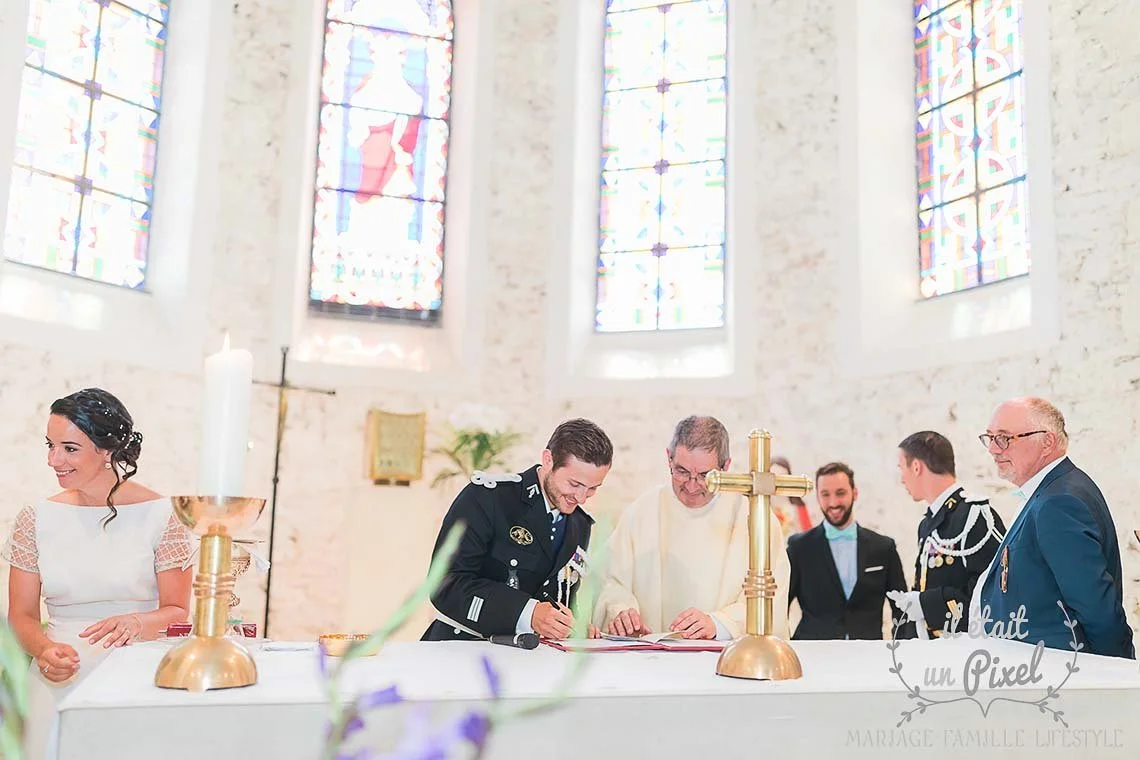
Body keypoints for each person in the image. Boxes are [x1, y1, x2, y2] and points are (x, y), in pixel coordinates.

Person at [2, 388, 194, 758]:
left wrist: (137, 622)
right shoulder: (36, 518)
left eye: (69, 448)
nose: (53, 459)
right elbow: (21, 615)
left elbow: (176, 611)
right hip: (57, 681)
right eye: (50, 445)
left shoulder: (164, 515)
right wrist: (44, 650)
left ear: (106, 450)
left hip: (137, 679)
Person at [593, 416, 789, 640]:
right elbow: (608, 580)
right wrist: (621, 611)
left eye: (705, 476)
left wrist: (719, 624)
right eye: (682, 471)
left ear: (726, 466)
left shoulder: (754, 519)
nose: (692, 485)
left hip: (727, 661)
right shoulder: (642, 513)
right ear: (669, 458)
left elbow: (774, 596)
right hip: (652, 662)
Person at [422, 418, 613, 642]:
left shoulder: (580, 523)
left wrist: (571, 626)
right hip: (462, 647)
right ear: (548, 460)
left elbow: (560, 596)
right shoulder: (488, 498)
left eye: (592, 489)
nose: (581, 498)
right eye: (574, 484)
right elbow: (445, 585)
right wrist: (527, 613)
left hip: (531, 657)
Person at [972, 397, 1134, 658]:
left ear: (1046, 442)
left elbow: (1094, 606)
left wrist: (1117, 673)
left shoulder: (1059, 501)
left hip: (1062, 673)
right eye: (989, 437)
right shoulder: (1050, 491)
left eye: (1003, 438)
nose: (993, 449)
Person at [888, 431, 1005, 638]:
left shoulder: (973, 516)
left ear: (916, 467)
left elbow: (992, 595)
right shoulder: (928, 523)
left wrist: (925, 604)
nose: (901, 480)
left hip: (966, 651)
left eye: (901, 468)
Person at [786, 462, 907, 639]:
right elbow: (780, 609)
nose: (833, 502)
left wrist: (899, 651)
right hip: (813, 655)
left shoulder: (883, 547)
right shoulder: (799, 547)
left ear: (854, 493)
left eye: (840, 493)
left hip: (869, 655)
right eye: (825, 495)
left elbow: (902, 610)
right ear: (818, 497)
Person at [771, 456, 813, 536]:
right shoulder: (761, 503)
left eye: (782, 477)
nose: (778, 482)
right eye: (775, 477)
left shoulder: (798, 505)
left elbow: (807, 533)